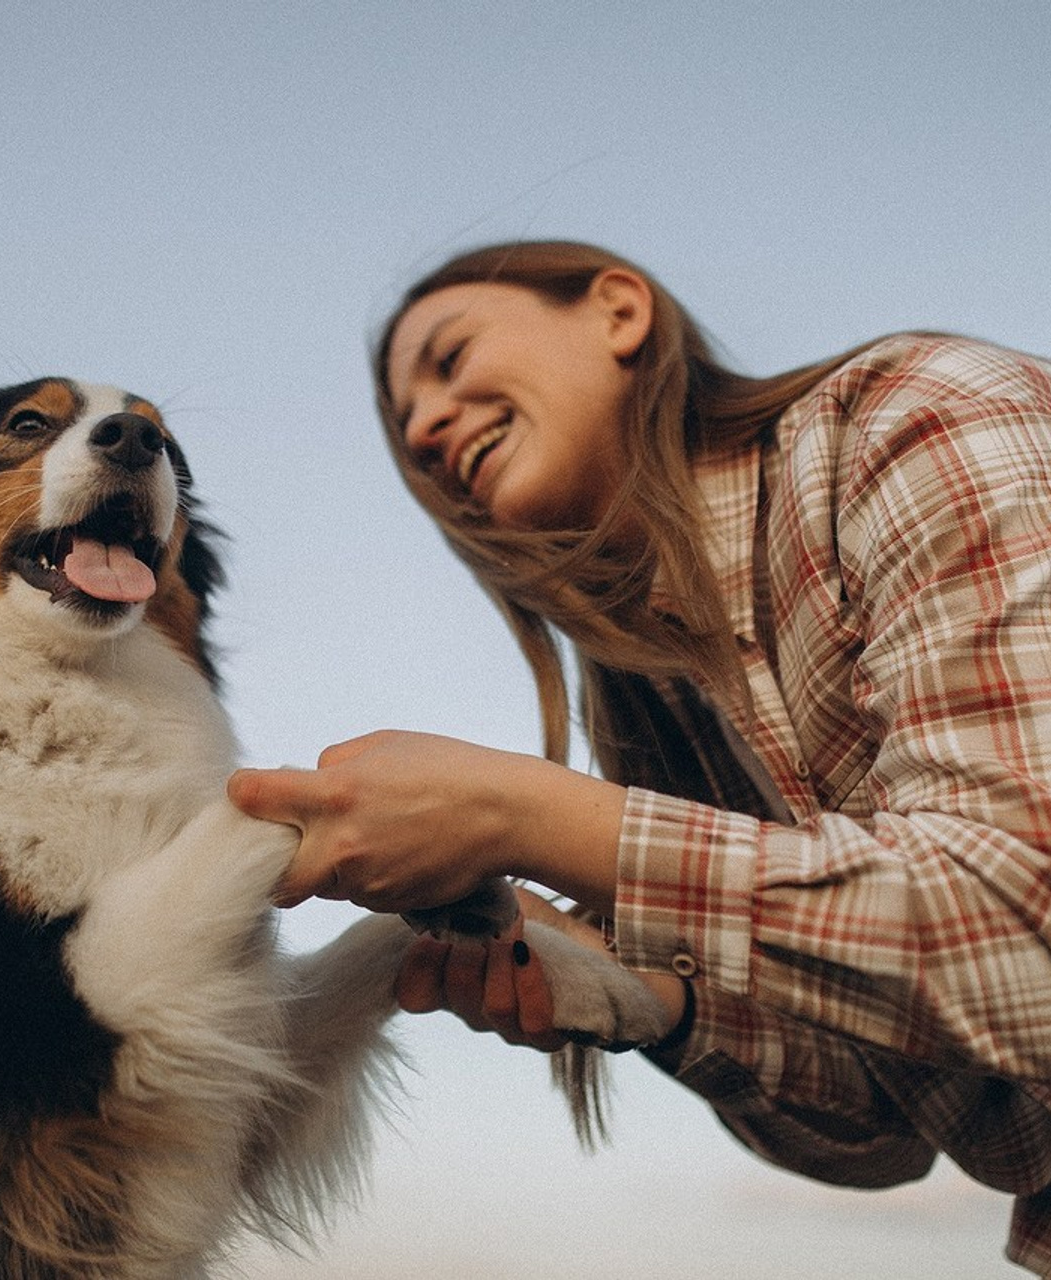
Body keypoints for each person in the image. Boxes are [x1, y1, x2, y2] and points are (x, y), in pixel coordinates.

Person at [227, 240, 1051, 1275]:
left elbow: (1027, 933)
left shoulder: (912, 420)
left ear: (619, 311)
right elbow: (882, 1131)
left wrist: (531, 818)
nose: (427, 428)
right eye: (405, 430)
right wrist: (647, 1001)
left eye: (447, 358)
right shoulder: (653, 709)